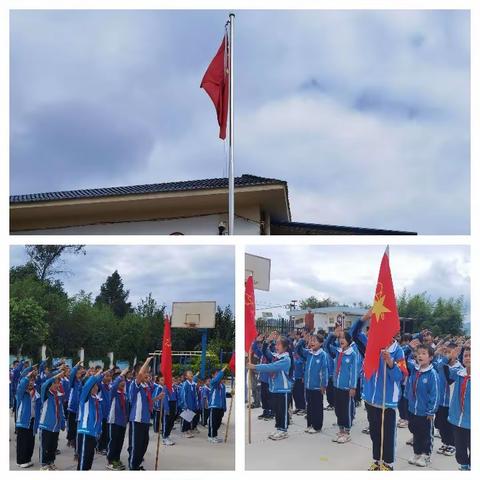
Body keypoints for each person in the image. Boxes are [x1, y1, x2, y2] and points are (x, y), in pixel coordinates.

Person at [357, 311, 408, 471]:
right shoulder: (371, 345)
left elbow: (400, 376)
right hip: (371, 399)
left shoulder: (397, 351)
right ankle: (377, 461)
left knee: (387, 436)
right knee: (375, 434)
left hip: (387, 402)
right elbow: (354, 334)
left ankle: (388, 464)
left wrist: (390, 362)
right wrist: (364, 319)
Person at [247, 336, 293, 441]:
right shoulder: (276, 356)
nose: (276, 346)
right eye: (275, 344)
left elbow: (270, 367)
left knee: (283, 411)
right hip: (275, 389)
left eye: (278, 344)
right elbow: (265, 352)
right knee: (277, 411)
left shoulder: (286, 359)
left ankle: (283, 430)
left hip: (283, 390)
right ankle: (279, 428)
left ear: (285, 347)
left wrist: (255, 367)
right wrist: (267, 341)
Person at [405, 344, 440, 467]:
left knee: (426, 434)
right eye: (418, 353)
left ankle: (426, 455)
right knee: (415, 432)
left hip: (425, 412)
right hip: (413, 409)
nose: (420, 355)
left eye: (424, 353)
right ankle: (417, 452)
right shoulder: (414, 370)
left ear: (430, 357)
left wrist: (431, 411)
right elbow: (404, 359)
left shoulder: (432, 374)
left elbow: (434, 395)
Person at [325, 329, 359, 444]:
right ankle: (341, 430)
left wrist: (353, 387)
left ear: (349, 341)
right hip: (336, 386)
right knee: (338, 410)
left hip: (347, 388)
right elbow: (327, 345)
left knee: (346, 410)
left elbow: (354, 371)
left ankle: (347, 432)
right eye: (340, 338)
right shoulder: (338, 352)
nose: (341, 340)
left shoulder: (352, 354)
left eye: (343, 338)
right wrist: (332, 335)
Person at [433, 341, 462, 456]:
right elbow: (437, 365)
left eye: (451, 352)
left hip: (450, 403)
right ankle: (445, 442)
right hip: (440, 401)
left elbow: (449, 374)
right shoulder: (442, 363)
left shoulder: (458, 368)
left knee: (449, 425)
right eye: (447, 352)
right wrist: (438, 354)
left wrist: (446, 358)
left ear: (457, 354)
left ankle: (452, 444)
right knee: (441, 424)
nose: (448, 355)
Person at [295, 332, 328, 433]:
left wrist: (323, 385)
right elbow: (298, 350)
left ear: (321, 343)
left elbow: (324, 371)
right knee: (309, 406)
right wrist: (303, 340)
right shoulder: (309, 353)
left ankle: (317, 426)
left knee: (317, 407)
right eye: (311, 340)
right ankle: (310, 424)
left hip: (317, 387)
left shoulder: (322, 355)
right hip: (308, 386)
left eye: (315, 341)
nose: (312, 342)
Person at [127, 357, 153, 470]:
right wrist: (147, 361)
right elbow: (140, 375)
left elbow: (147, 402)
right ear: (138, 373)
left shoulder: (145, 386)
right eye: (145, 371)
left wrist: (157, 398)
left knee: (144, 444)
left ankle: (137, 465)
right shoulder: (135, 384)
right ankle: (133, 467)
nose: (147, 374)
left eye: (148, 372)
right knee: (136, 445)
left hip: (145, 420)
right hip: (136, 419)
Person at [38, 369, 66, 470]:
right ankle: (44, 464)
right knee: (45, 446)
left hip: (56, 427)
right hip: (46, 425)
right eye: (55, 383)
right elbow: (45, 385)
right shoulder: (46, 395)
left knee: (53, 446)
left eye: (58, 383)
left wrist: (62, 423)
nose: (57, 385)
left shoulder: (58, 396)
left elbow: (61, 411)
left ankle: (51, 462)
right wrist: (53, 378)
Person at [448, 346, 470, 470]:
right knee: (460, 447)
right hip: (457, 420)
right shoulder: (458, 373)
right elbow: (441, 367)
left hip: (472, 421)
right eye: (465, 355)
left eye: (471, 355)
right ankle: (464, 466)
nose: (467, 358)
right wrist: (451, 358)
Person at [77, 370, 104, 470]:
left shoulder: (96, 399)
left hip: (93, 434)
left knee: (89, 460)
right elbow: (87, 386)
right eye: (93, 386)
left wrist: (99, 431)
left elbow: (98, 418)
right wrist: (94, 376)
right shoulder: (85, 398)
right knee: (83, 461)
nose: (96, 388)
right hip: (85, 432)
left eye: (96, 386)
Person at [15, 368, 41, 468]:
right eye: (29, 380)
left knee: (30, 442)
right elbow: (21, 385)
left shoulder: (36, 393)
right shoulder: (21, 392)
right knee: (22, 441)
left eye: (32, 380)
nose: (31, 382)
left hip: (32, 421)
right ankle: (20, 460)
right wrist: (26, 377)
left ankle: (27, 459)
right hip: (23, 421)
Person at [106, 367, 129, 470]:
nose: (123, 383)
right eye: (121, 381)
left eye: (124, 381)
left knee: (120, 442)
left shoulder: (124, 393)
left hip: (122, 422)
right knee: (113, 441)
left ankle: (116, 459)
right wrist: (121, 375)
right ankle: (110, 461)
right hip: (114, 421)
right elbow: (115, 384)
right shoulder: (113, 391)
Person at [66, 360, 84, 458]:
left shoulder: (81, 382)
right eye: (77, 372)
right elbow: (72, 374)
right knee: (72, 426)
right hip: (72, 408)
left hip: (79, 409)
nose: (78, 374)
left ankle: (76, 446)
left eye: (80, 372)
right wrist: (76, 366)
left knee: (77, 428)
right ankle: (71, 439)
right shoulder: (72, 382)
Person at [207, 366, 228, 443]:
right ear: (213, 375)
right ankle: (210, 436)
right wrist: (222, 371)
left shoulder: (223, 386)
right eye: (216, 374)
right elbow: (217, 379)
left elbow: (223, 397)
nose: (219, 375)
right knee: (213, 422)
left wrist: (224, 406)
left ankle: (215, 436)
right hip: (214, 406)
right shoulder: (213, 382)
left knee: (218, 422)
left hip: (220, 406)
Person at [180, 370, 200, 438]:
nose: (191, 374)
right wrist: (185, 405)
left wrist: (196, 404)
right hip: (187, 405)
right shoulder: (185, 384)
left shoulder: (193, 384)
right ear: (186, 376)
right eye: (189, 373)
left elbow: (195, 395)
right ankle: (184, 431)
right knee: (186, 418)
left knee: (189, 418)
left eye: (192, 373)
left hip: (192, 405)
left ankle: (188, 430)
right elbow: (183, 395)